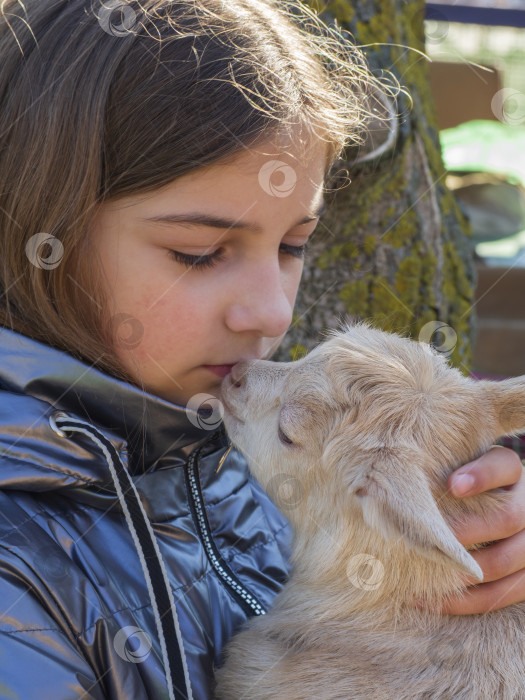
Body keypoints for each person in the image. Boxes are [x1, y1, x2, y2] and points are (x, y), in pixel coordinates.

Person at [0, 1, 524, 699]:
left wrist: (477, 509)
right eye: (199, 252)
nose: (273, 311)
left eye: (292, 245)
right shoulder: (18, 576)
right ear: (41, 227)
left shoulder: (225, 446)